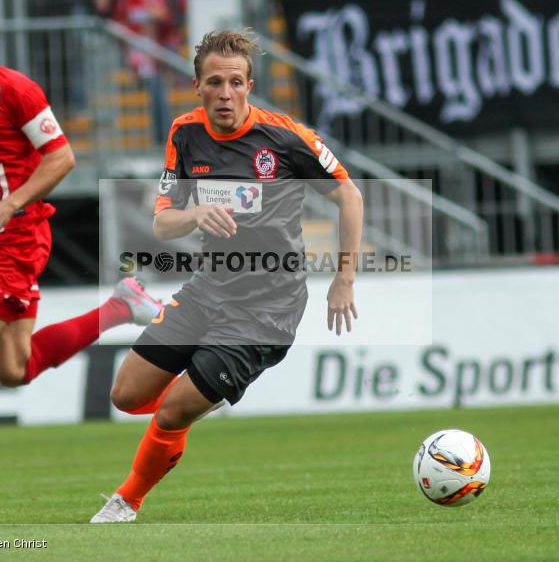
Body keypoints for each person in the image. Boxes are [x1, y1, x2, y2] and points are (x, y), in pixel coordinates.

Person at [0, 0, 162, 513]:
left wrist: (11, 203)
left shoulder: (14, 90)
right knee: (15, 368)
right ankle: (119, 307)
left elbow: (62, 157)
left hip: (19, 232)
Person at [90, 29, 364, 523]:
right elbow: (162, 220)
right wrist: (196, 214)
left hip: (266, 311)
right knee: (125, 396)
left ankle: (126, 500)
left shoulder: (286, 138)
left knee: (172, 411)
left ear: (249, 84)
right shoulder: (184, 134)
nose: (225, 93)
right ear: (197, 86)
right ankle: (201, 387)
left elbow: (349, 194)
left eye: (235, 82)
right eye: (214, 82)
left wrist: (343, 278)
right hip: (208, 289)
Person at [113, 0, 176, 143]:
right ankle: (161, 138)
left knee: (159, 95)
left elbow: (167, 21)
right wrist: (150, 13)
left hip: (157, 51)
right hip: (139, 53)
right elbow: (123, 21)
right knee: (156, 95)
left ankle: (162, 137)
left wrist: (161, 16)